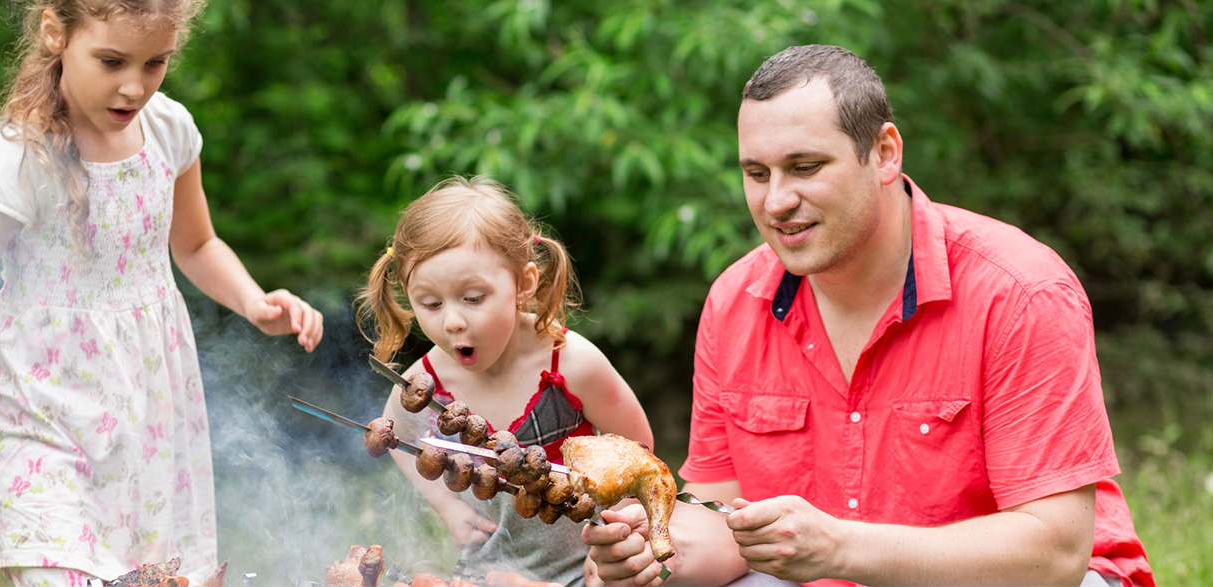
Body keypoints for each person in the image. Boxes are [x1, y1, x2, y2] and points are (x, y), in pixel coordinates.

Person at [581, 45, 1152, 587]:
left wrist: (839, 547)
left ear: (884, 153)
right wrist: (653, 554)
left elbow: (1054, 554)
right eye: (757, 174)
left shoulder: (1020, 293)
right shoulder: (735, 300)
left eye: (804, 167)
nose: (776, 201)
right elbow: (720, 521)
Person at [0, 1, 325, 585]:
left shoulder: (169, 130)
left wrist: (253, 301)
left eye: (155, 63)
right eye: (111, 61)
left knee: (157, 576)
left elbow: (196, 245)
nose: (134, 86)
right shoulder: (22, 157)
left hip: (150, 415)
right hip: (38, 414)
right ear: (56, 33)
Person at [356, 176, 655, 586]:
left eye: (474, 298)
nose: (453, 320)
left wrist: (618, 537)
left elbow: (639, 452)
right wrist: (448, 507)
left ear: (524, 284)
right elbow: (397, 439)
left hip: (591, 570)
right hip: (489, 570)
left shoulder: (571, 364)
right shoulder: (421, 386)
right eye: (430, 303)